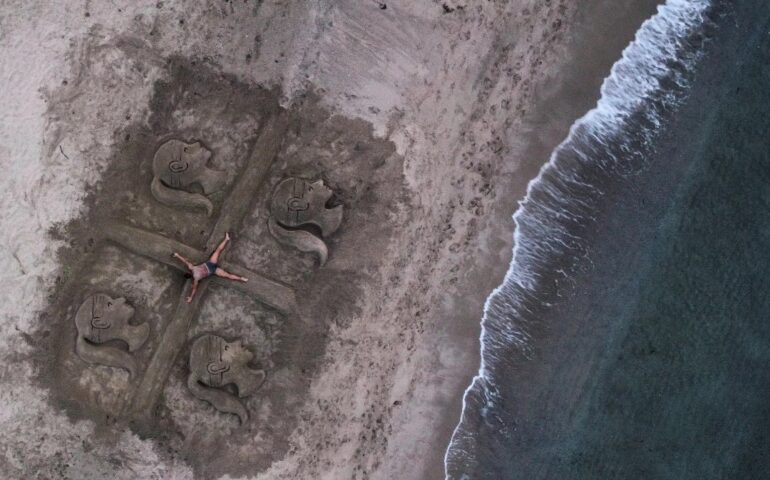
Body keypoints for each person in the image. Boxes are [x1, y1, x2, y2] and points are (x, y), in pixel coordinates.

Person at [172, 232, 248, 303]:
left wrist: (191, 297)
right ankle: (226, 239)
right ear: (188, 273)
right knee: (219, 253)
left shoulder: (196, 277)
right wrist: (177, 255)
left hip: (212, 268)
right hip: (211, 266)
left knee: (227, 274)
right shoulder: (193, 271)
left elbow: (194, 289)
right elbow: (185, 261)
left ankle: (241, 278)